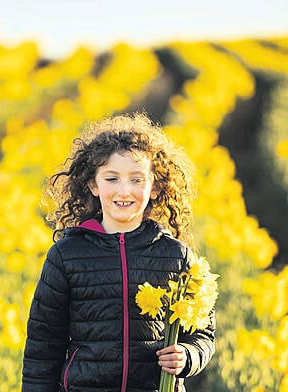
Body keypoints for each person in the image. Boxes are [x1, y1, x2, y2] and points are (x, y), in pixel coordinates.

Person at [22, 113, 216, 391]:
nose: (124, 191)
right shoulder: (67, 255)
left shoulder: (176, 256)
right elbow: (43, 346)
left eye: (137, 180)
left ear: (155, 187)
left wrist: (188, 356)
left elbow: (202, 334)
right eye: (112, 178)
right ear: (93, 184)